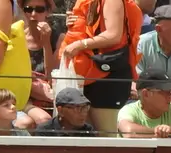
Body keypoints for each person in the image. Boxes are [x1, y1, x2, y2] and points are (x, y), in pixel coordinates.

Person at [59, 0, 141, 136]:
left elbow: (113, 35)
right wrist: (77, 24)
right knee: (86, 135)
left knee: (107, 135)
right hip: (90, 75)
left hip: (108, 76)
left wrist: (80, 44)